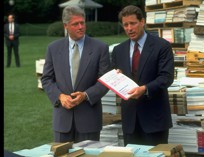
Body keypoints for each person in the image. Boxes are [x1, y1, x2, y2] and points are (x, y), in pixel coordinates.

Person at [41, 5, 111, 143]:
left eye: (82, 23)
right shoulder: (53, 48)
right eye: (75, 24)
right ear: (66, 26)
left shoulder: (100, 48)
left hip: (89, 120)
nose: (81, 27)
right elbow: (47, 79)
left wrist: (85, 95)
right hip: (62, 120)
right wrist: (60, 96)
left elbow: (105, 81)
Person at [111, 5, 174, 146]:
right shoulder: (118, 50)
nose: (129, 28)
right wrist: (116, 78)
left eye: (132, 23)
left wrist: (144, 89)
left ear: (142, 22)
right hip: (130, 121)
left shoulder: (162, 46)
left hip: (155, 120)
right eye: (125, 25)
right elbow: (114, 76)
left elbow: (166, 77)